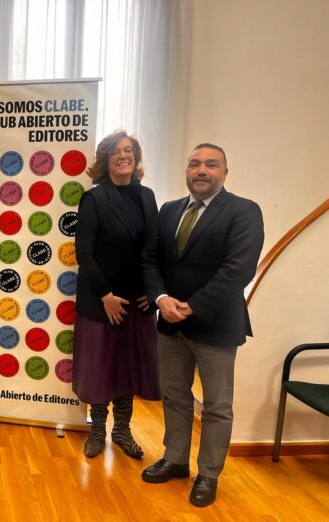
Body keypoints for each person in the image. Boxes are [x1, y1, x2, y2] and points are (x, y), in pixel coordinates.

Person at [141, 143, 264, 507]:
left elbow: (238, 270)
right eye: (194, 163)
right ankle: (175, 460)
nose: (201, 170)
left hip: (216, 325)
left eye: (211, 164)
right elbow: (150, 260)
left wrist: (192, 306)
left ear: (225, 172)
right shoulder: (169, 210)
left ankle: (208, 474)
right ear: (186, 171)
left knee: (216, 407)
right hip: (169, 323)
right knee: (174, 396)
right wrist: (161, 299)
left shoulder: (243, 211)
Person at [72, 130, 160, 460]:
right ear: (105, 160)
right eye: (115, 151)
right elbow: (85, 253)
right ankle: (97, 430)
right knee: (101, 368)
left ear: (136, 157)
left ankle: (122, 429)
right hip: (102, 301)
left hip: (138, 302)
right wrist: (105, 295)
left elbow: (155, 248)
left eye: (129, 150)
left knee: (128, 366)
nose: (124, 155)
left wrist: (153, 291)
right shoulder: (94, 199)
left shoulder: (147, 196)